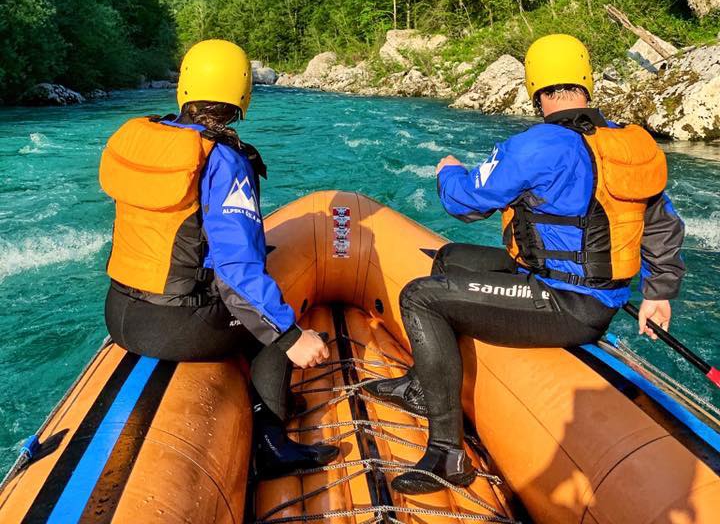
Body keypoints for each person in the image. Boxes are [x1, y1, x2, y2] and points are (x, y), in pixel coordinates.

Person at [365, 33, 685, 495]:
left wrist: (447, 170)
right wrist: (658, 294)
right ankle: (423, 383)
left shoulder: (538, 145)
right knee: (451, 257)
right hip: (582, 291)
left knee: (420, 297)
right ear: (585, 81)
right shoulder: (630, 143)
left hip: (565, 304)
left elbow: (465, 203)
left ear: (535, 87)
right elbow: (662, 224)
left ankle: (447, 454)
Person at [99, 38, 338, 479]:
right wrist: (290, 338)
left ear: (184, 89)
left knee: (253, 301)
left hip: (119, 313)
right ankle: (271, 442)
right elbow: (237, 270)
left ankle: (268, 399)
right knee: (269, 315)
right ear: (243, 94)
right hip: (175, 327)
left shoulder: (144, 139)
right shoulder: (223, 159)